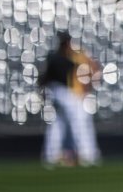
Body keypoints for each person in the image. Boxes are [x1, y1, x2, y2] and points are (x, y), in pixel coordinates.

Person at [40, 32, 102, 167]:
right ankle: (87, 154)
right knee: (78, 122)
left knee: (57, 124)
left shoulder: (57, 57)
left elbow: (44, 79)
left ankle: (51, 156)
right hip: (64, 93)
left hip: (58, 93)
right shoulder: (65, 59)